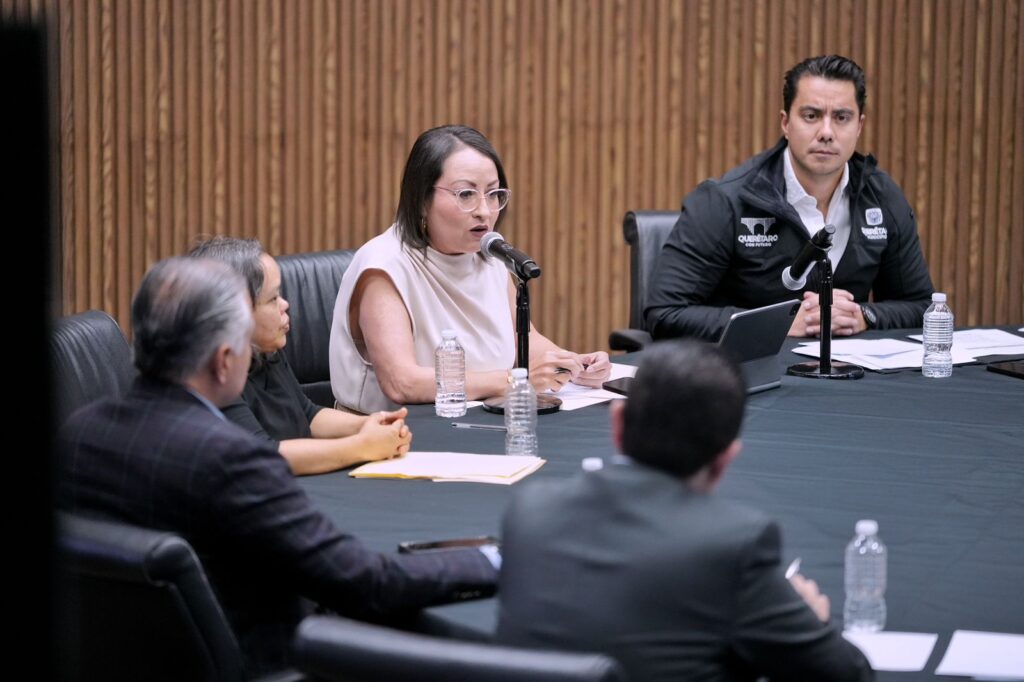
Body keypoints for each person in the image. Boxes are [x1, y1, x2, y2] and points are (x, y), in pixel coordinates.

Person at [58, 257, 498, 675]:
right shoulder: (232, 460)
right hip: (274, 664)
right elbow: (365, 581)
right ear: (224, 360)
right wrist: (490, 560)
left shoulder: (77, 434)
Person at [496, 340, 874, 681]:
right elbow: (846, 673)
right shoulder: (734, 543)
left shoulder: (531, 509)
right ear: (726, 458)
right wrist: (813, 620)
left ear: (617, 423)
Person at [646, 55, 933, 342]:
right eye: (811, 116)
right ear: (786, 123)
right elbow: (665, 313)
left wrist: (864, 316)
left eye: (841, 118)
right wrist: (774, 324)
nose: (826, 133)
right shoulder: (726, 200)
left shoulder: (882, 197)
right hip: (748, 366)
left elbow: (923, 307)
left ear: (859, 126)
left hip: (847, 366)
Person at [329, 124, 612, 414]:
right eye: (466, 194)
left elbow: (526, 342)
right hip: (392, 432)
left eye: (493, 194)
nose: (484, 210)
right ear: (422, 200)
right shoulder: (384, 266)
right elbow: (402, 383)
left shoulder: (490, 256)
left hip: (479, 422)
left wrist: (571, 365)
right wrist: (513, 380)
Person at [188, 236, 411, 475]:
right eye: (273, 299)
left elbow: (308, 414)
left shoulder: (265, 348)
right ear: (233, 312)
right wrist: (362, 446)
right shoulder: (212, 376)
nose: (285, 304)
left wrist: (369, 423)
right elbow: (263, 454)